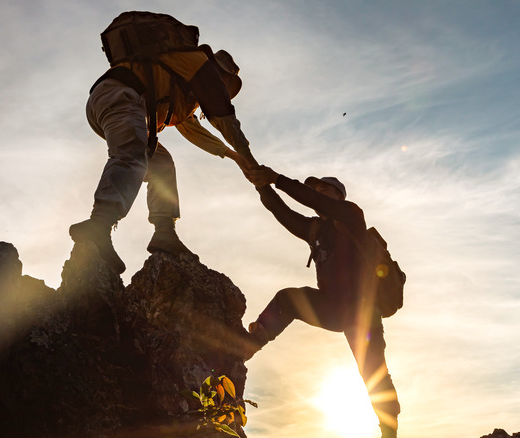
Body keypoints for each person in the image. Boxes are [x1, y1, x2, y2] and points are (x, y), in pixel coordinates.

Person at [69, 13, 256, 274]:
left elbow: (193, 131)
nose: (225, 88)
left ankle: (164, 232)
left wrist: (234, 157)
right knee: (132, 154)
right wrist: (249, 159)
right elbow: (223, 115)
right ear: (219, 72)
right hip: (120, 95)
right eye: (225, 82)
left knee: (161, 164)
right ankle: (98, 225)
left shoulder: (185, 88)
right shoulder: (197, 65)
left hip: (110, 103)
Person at [242, 165, 400, 438]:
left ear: (339, 196)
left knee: (372, 371)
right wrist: (261, 185)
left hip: (362, 312)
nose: (317, 192)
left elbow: (311, 199)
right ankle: (250, 343)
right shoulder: (315, 229)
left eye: (323, 189)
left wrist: (277, 179)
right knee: (288, 299)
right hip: (331, 308)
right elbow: (282, 213)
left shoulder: (351, 215)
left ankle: (389, 430)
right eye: (315, 188)